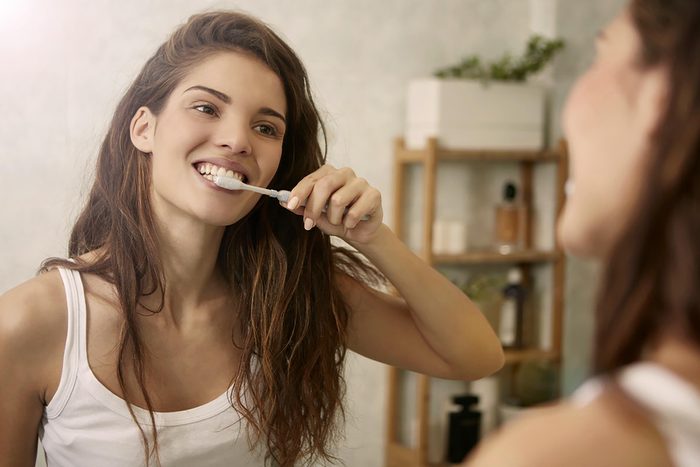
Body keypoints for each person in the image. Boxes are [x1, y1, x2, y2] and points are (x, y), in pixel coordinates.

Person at [0, 10, 504, 467]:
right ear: (143, 128)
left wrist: (375, 239)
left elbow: (475, 356)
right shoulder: (32, 323)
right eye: (205, 108)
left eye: (266, 127)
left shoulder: (289, 294)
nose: (238, 140)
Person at [465, 0, 700, 466]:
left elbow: (471, 353)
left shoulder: (558, 455)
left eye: (599, 55)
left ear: (661, 95)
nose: (566, 111)